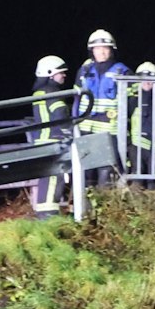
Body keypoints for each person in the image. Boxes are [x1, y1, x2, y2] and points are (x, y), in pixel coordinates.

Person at [75, 28, 128, 186]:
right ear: (92, 51)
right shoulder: (84, 71)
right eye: (98, 48)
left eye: (105, 48)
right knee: (87, 171)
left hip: (108, 129)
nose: (102, 52)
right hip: (86, 127)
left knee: (106, 170)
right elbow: (76, 99)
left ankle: (105, 206)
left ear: (112, 50)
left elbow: (130, 102)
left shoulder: (122, 72)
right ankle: (86, 206)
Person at [28, 55, 72, 216]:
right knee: (55, 178)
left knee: (46, 179)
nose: (64, 75)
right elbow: (60, 117)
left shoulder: (39, 92)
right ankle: (48, 215)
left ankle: (44, 213)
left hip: (42, 141)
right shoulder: (53, 92)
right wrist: (70, 131)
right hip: (53, 142)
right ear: (50, 73)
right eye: (61, 72)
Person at [127, 60, 155, 181]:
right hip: (136, 148)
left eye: (150, 79)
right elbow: (125, 122)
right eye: (143, 78)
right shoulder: (132, 100)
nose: (147, 82)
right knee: (138, 182)